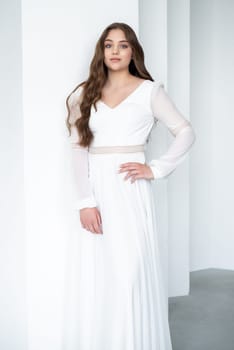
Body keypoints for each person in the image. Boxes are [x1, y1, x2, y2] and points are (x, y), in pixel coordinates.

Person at [65, 22, 195, 350]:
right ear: (102, 51)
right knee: (101, 273)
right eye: (109, 45)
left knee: (131, 271)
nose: (115, 52)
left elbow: (185, 132)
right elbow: (79, 149)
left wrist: (154, 169)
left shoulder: (149, 91)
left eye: (123, 45)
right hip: (97, 192)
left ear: (133, 51)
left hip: (130, 191)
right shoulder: (85, 93)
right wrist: (85, 201)